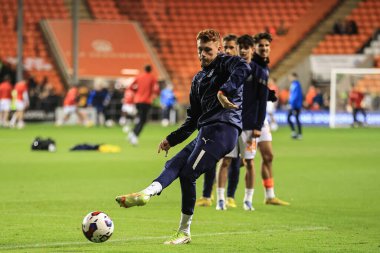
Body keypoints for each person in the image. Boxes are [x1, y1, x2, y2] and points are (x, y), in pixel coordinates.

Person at [115, 29, 251, 245]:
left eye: (208, 50)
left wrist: (224, 91)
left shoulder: (228, 64)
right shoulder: (198, 80)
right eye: (200, 50)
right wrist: (172, 138)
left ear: (219, 48)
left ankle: (184, 232)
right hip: (206, 131)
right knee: (174, 163)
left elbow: (245, 67)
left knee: (188, 174)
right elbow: (193, 119)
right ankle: (146, 194)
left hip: (224, 130)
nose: (203, 55)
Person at [195, 34, 241, 208]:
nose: (229, 50)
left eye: (232, 47)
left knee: (234, 160)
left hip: (235, 122)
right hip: (215, 122)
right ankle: (207, 195)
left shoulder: (239, 70)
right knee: (211, 158)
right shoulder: (219, 69)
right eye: (226, 47)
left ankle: (230, 196)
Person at [127, 64, 159, 146]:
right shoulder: (152, 78)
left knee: (140, 118)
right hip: (146, 101)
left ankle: (132, 133)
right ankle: (135, 136)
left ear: (144, 69)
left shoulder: (139, 77)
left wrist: (136, 91)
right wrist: (154, 95)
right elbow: (156, 89)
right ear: (150, 70)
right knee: (143, 120)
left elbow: (130, 87)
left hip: (137, 100)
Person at [287, 73, 303, 139]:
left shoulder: (296, 85)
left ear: (294, 77)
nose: (289, 78)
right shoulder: (293, 84)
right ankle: (295, 133)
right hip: (293, 105)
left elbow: (296, 96)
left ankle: (299, 134)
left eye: (290, 77)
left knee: (295, 118)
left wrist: (291, 104)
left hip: (296, 105)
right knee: (292, 118)